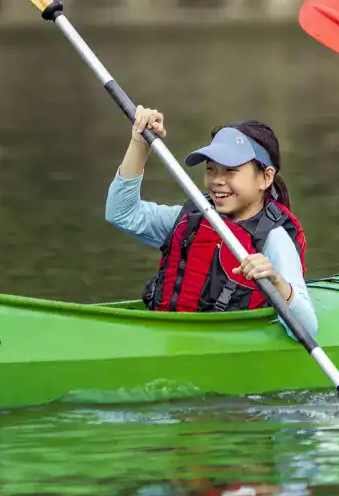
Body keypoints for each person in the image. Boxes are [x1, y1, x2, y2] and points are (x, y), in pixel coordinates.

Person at [104, 106, 317, 338]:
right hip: (168, 336)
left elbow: (307, 328)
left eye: (230, 170)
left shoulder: (275, 239)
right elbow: (121, 213)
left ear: (265, 177)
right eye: (211, 169)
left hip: (229, 347)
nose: (217, 180)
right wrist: (139, 143)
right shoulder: (192, 219)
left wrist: (276, 281)